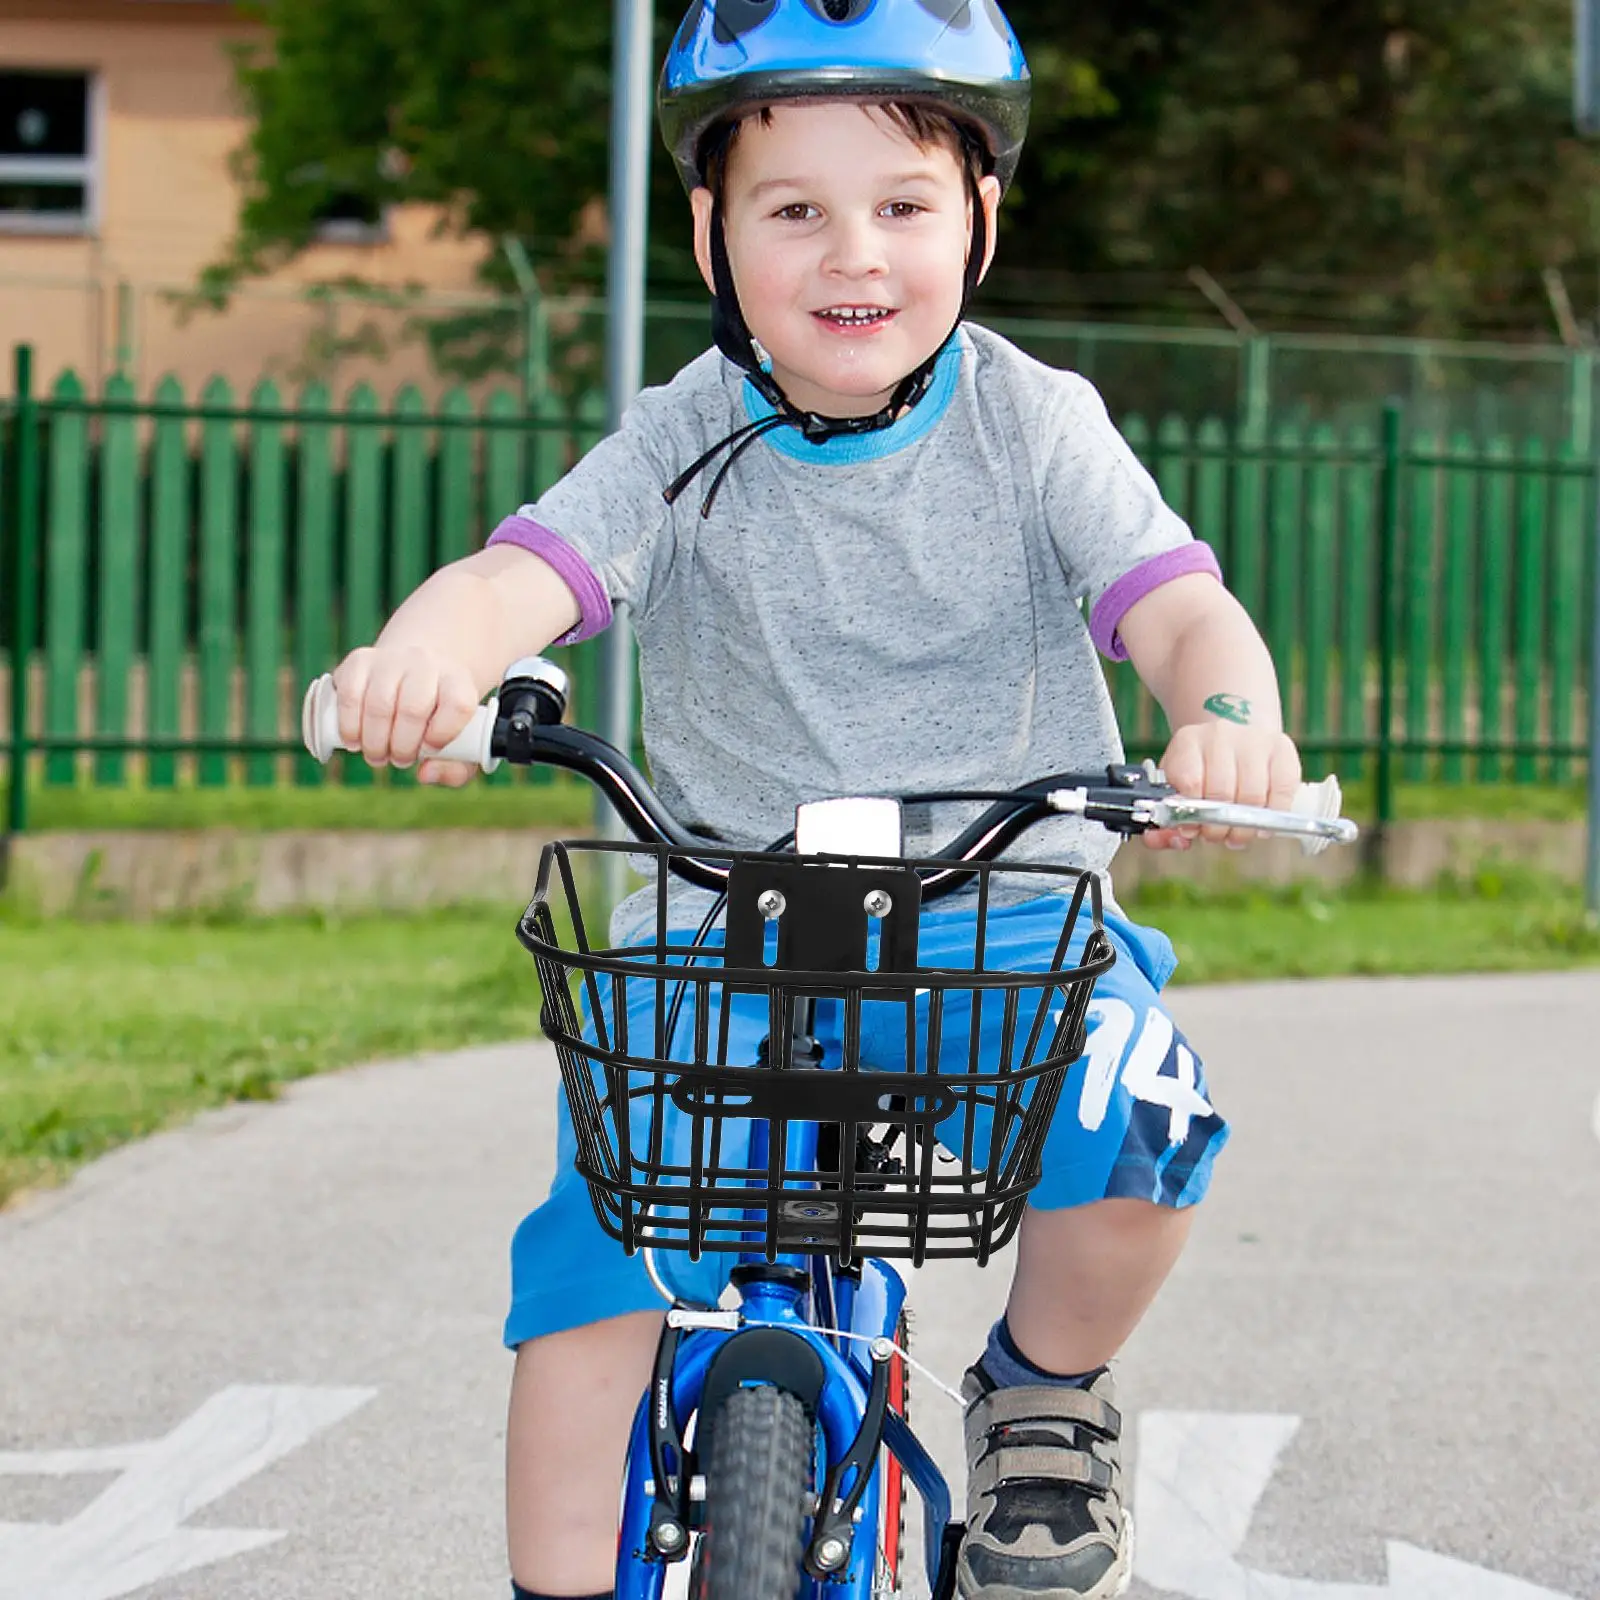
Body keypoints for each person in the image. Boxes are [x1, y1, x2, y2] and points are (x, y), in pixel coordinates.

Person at [328, 3, 1303, 1596]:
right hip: (724, 933)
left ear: (980, 221)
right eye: (795, 211)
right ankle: (556, 1578)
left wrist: (1226, 717)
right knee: (598, 1267)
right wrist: (427, 652)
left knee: (1141, 1113)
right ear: (712, 232)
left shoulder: (1032, 423)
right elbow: (532, 571)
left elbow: (1177, 608)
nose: (857, 255)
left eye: (905, 207)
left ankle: (1045, 1402)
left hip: (1003, 927)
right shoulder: (684, 435)